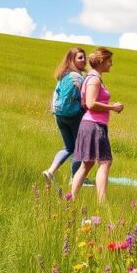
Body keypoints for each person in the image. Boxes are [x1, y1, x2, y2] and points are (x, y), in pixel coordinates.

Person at [70, 47, 124, 203]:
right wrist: (113, 107)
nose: (111, 64)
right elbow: (91, 103)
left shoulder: (92, 78)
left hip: (90, 124)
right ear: (101, 61)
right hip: (95, 125)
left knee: (86, 164)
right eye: (109, 61)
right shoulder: (94, 79)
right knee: (105, 161)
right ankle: (102, 201)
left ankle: (71, 198)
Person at [42, 47, 88, 183]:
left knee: (69, 147)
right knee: (80, 148)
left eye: (84, 57)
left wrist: (54, 110)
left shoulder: (62, 75)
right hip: (75, 115)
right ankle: (75, 179)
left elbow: (55, 94)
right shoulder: (78, 77)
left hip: (59, 115)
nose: (83, 60)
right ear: (72, 60)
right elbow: (85, 99)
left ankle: (50, 171)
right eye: (80, 57)